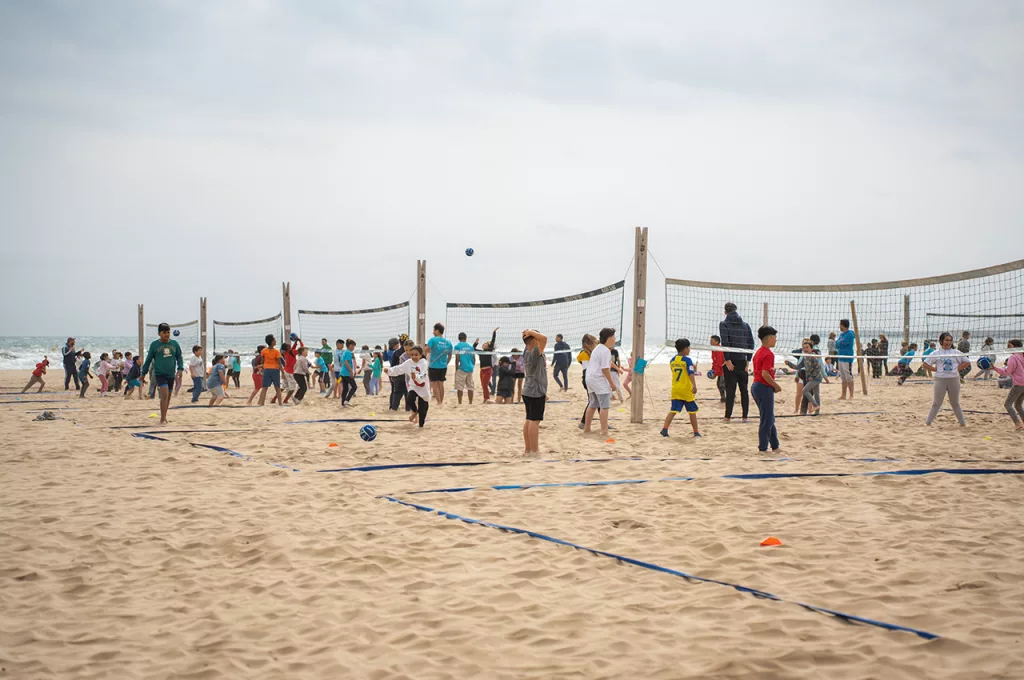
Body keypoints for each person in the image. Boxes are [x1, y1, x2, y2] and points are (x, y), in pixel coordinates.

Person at [921, 332, 971, 426]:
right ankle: (928, 423)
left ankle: (962, 423)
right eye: (946, 340)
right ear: (941, 341)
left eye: (950, 340)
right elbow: (925, 364)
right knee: (936, 403)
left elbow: (967, 362)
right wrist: (935, 369)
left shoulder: (956, 352)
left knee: (955, 403)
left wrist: (957, 369)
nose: (948, 342)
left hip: (954, 379)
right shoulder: (936, 353)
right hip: (940, 380)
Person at [141, 323, 184, 424]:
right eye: (164, 332)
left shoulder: (175, 344)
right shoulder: (154, 345)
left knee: (168, 397)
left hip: (171, 374)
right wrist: (143, 373)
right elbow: (148, 360)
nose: (166, 334)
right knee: (164, 394)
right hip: (160, 374)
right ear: (159, 333)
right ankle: (162, 419)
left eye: (168, 332)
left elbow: (179, 357)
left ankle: (165, 416)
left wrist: (180, 369)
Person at [719, 303, 754, 422]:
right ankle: (745, 417)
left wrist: (727, 359)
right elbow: (751, 343)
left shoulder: (724, 324)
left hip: (731, 361)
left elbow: (725, 342)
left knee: (730, 391)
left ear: (725, 311)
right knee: (744, 390)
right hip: (742, 361)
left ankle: (727, 417)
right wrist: (748, 361)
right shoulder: (745, 325)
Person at [751, 326, 783, 453]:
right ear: (769, 338)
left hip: (756, 386)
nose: (776, 340)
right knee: (767, 420)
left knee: (769, 418)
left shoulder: (758, 352)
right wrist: (776, 386)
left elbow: (758, 372)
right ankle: (763, 448)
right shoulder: (768, 353)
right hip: (763, 387)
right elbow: (765, 374)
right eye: (775, 338)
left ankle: (775, 446)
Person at [583, 327, 619, 437]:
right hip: (598, 379)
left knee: (593, 403)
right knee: (604, 406)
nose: (615, 338)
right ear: (609, 338)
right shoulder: (605, 351)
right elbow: (605, 369)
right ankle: (604, 431)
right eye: (613, 336)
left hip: (589, 378)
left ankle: (587, 428)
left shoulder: (598, 348)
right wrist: (612, 384)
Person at [661, 338, 700, 438]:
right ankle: (696, 432)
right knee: (692, 412)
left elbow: (677, 372)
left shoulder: (672, 360)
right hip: (686, 390)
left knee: (673, 410)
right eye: (689, 348)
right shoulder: (687, 360)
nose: (689, 350)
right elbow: (690, 373)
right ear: (686, 349)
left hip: (676, 389)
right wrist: (694, 385)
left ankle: (664, 429)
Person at [384, 345, 431, 427]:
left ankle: (421, 425)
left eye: (416, 355)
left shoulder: (424, 363)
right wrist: (389, 370)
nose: (414, 357)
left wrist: (415, 376)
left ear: (420, 355)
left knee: (423, 409)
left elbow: (423, 376)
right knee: (409, 399)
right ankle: (415, 411)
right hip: (414, 386)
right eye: (412, 355)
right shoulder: (408, 363)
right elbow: (398, 369)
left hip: (423, 386)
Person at [521, 330, 548, 454]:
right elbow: (544, 338)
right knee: (534, 421)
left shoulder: (526, 351)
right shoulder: (534, 352)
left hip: (529, 389)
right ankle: (535, 449)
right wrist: (530, 332)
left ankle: (528, 449)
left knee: (529, 420)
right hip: (534, 390)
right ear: (533, 341)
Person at [992, 339, 1024, 431]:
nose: (1007, 348)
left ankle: (1018, 424)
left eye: (1009, 346)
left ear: (1016, 347)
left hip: (1019, 385)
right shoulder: (1022, 355)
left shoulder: (1013, 358)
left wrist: (994, 368)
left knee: (1008, 404)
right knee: (1018, 405)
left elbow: (1006, 372)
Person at [426, 323, 453, 405]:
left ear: (437, 330)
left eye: (434, 330)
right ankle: (441, 400)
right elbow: (450, 355)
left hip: (433, 365)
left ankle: (439, 402)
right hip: (443, 366)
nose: (433, 332)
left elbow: (426, 350)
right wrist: (446, 363)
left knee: (434, 383)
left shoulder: (432, 340)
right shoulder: (448, 342)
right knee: (441, 383)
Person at [577, 334, 598, 426]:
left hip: (591, 379)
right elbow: (587, 370)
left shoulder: (590, 353)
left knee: (596, 401)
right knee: (593, 401)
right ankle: (583, 423)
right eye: (593, 343)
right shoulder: (584, 354)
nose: (595, 344)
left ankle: (603, 422)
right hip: (588, 379)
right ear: (588, 344)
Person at [258, 335, 285, 407]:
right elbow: (279, 363)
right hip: (275, 370)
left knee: (264, 388)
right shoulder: (276, 351)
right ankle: (280, 403)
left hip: (266, 370)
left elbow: (262, 361)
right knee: (277, 388)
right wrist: (283, 372)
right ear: (272, 342)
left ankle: (261, 404)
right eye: (274, 340)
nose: (275, 341)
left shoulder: (263, 351)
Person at [801, 338, 825, 414]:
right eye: (804, 348)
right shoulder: (805, 357)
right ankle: (817, 412)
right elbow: (798, 366)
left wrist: (812, 376)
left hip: (816, 378)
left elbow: (818, 367)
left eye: (807, 347)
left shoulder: (813, 356)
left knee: (805, 390)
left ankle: (815, 405)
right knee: (816, 394)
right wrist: (789, 364)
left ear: (811, 348)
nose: (805, 349)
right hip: (812, 378)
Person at [453, 332, 476, 405]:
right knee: (470, 386)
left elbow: (457, 358)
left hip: (462, 368)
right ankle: (470, 403)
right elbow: (474, 358)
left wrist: (456, 368)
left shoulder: (457, 346)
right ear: (466, 338)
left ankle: (460, 403)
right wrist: (472, 366)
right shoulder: (470, 347)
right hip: (470, 368)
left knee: (460, 387)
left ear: (459, 338)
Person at [835, 319, 856, 400]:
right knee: (843, 377)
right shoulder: (841, 334)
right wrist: (839, 342)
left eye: (840, 324)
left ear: (842, 325)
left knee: (849, 376)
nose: (839, 326)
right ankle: (843, 395)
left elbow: (841, 343)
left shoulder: (850, 334)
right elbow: (837, 345)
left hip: (847, 358)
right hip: (840, 357)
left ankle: (851, 396)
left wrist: (839, 342)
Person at [476, 329, 498, 404]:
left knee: (485, 385)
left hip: (488, 370)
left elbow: (493, 341)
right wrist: (475, 343)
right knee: (483, 385)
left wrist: (494, 332)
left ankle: (487, 398)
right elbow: (473, 349)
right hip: (481, 370)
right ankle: (485, 399)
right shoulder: (480, 352)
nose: (483, 344)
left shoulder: (489, 351)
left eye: (485, 343)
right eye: (483, 343)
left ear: (488, 346)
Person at [388, 337, 407, 410]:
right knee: (405, 391)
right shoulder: (407, 352)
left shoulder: (394, 352)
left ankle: (393, 406)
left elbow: (392, 364)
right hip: (402, 373)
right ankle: (406, 407)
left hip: (395, 372)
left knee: (395, 391)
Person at [339, 339, 358, 407]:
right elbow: (346, 362)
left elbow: (341, 362)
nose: (353, 347)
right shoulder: (348, 352)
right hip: (346, 373)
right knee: (354, 387)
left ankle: (343, 403)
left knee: (345, 389)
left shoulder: (345, 352)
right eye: (352, 345)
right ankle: (347, 400)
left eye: (354, 346)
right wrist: (351, 371)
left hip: (343, 372)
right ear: (349, 345)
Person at [710, 335, 726, 405]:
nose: (710, 342)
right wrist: (713, 370)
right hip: (719, 370)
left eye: (712, 341)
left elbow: (719, 363)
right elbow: (714, 362)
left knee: (721, 384)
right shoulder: (714, 349)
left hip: (723, 370)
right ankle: (724, 398)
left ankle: (726, 398)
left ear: (717, 342)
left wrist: (715, 373)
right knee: (720, 384)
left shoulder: (719, 349)